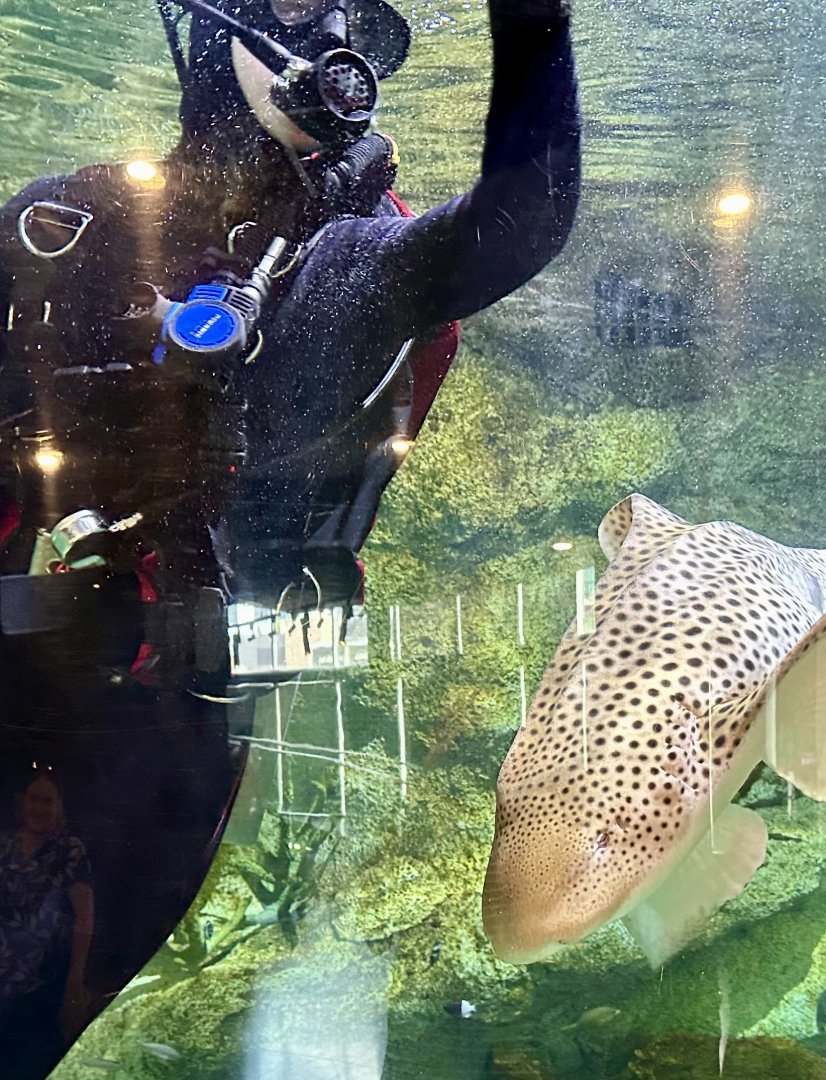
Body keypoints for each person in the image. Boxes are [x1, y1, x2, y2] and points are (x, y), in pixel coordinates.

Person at [0, 0, 580, 1071]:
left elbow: (526, 215)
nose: (341, 32)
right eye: (311, 5)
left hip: (186, 720)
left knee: (32, 1013)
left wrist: (534, 19)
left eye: (369, 20)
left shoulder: (361, 266)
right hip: (23, 676)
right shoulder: (62, 223)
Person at [0, 773, 96, 1077]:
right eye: (34, 799)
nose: (39, 808)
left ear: (60, 807)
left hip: (41, 979)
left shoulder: (70, 851)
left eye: (47, 801)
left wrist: (76, 979)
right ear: (22, 802)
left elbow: (84, 917)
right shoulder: (4, 844)